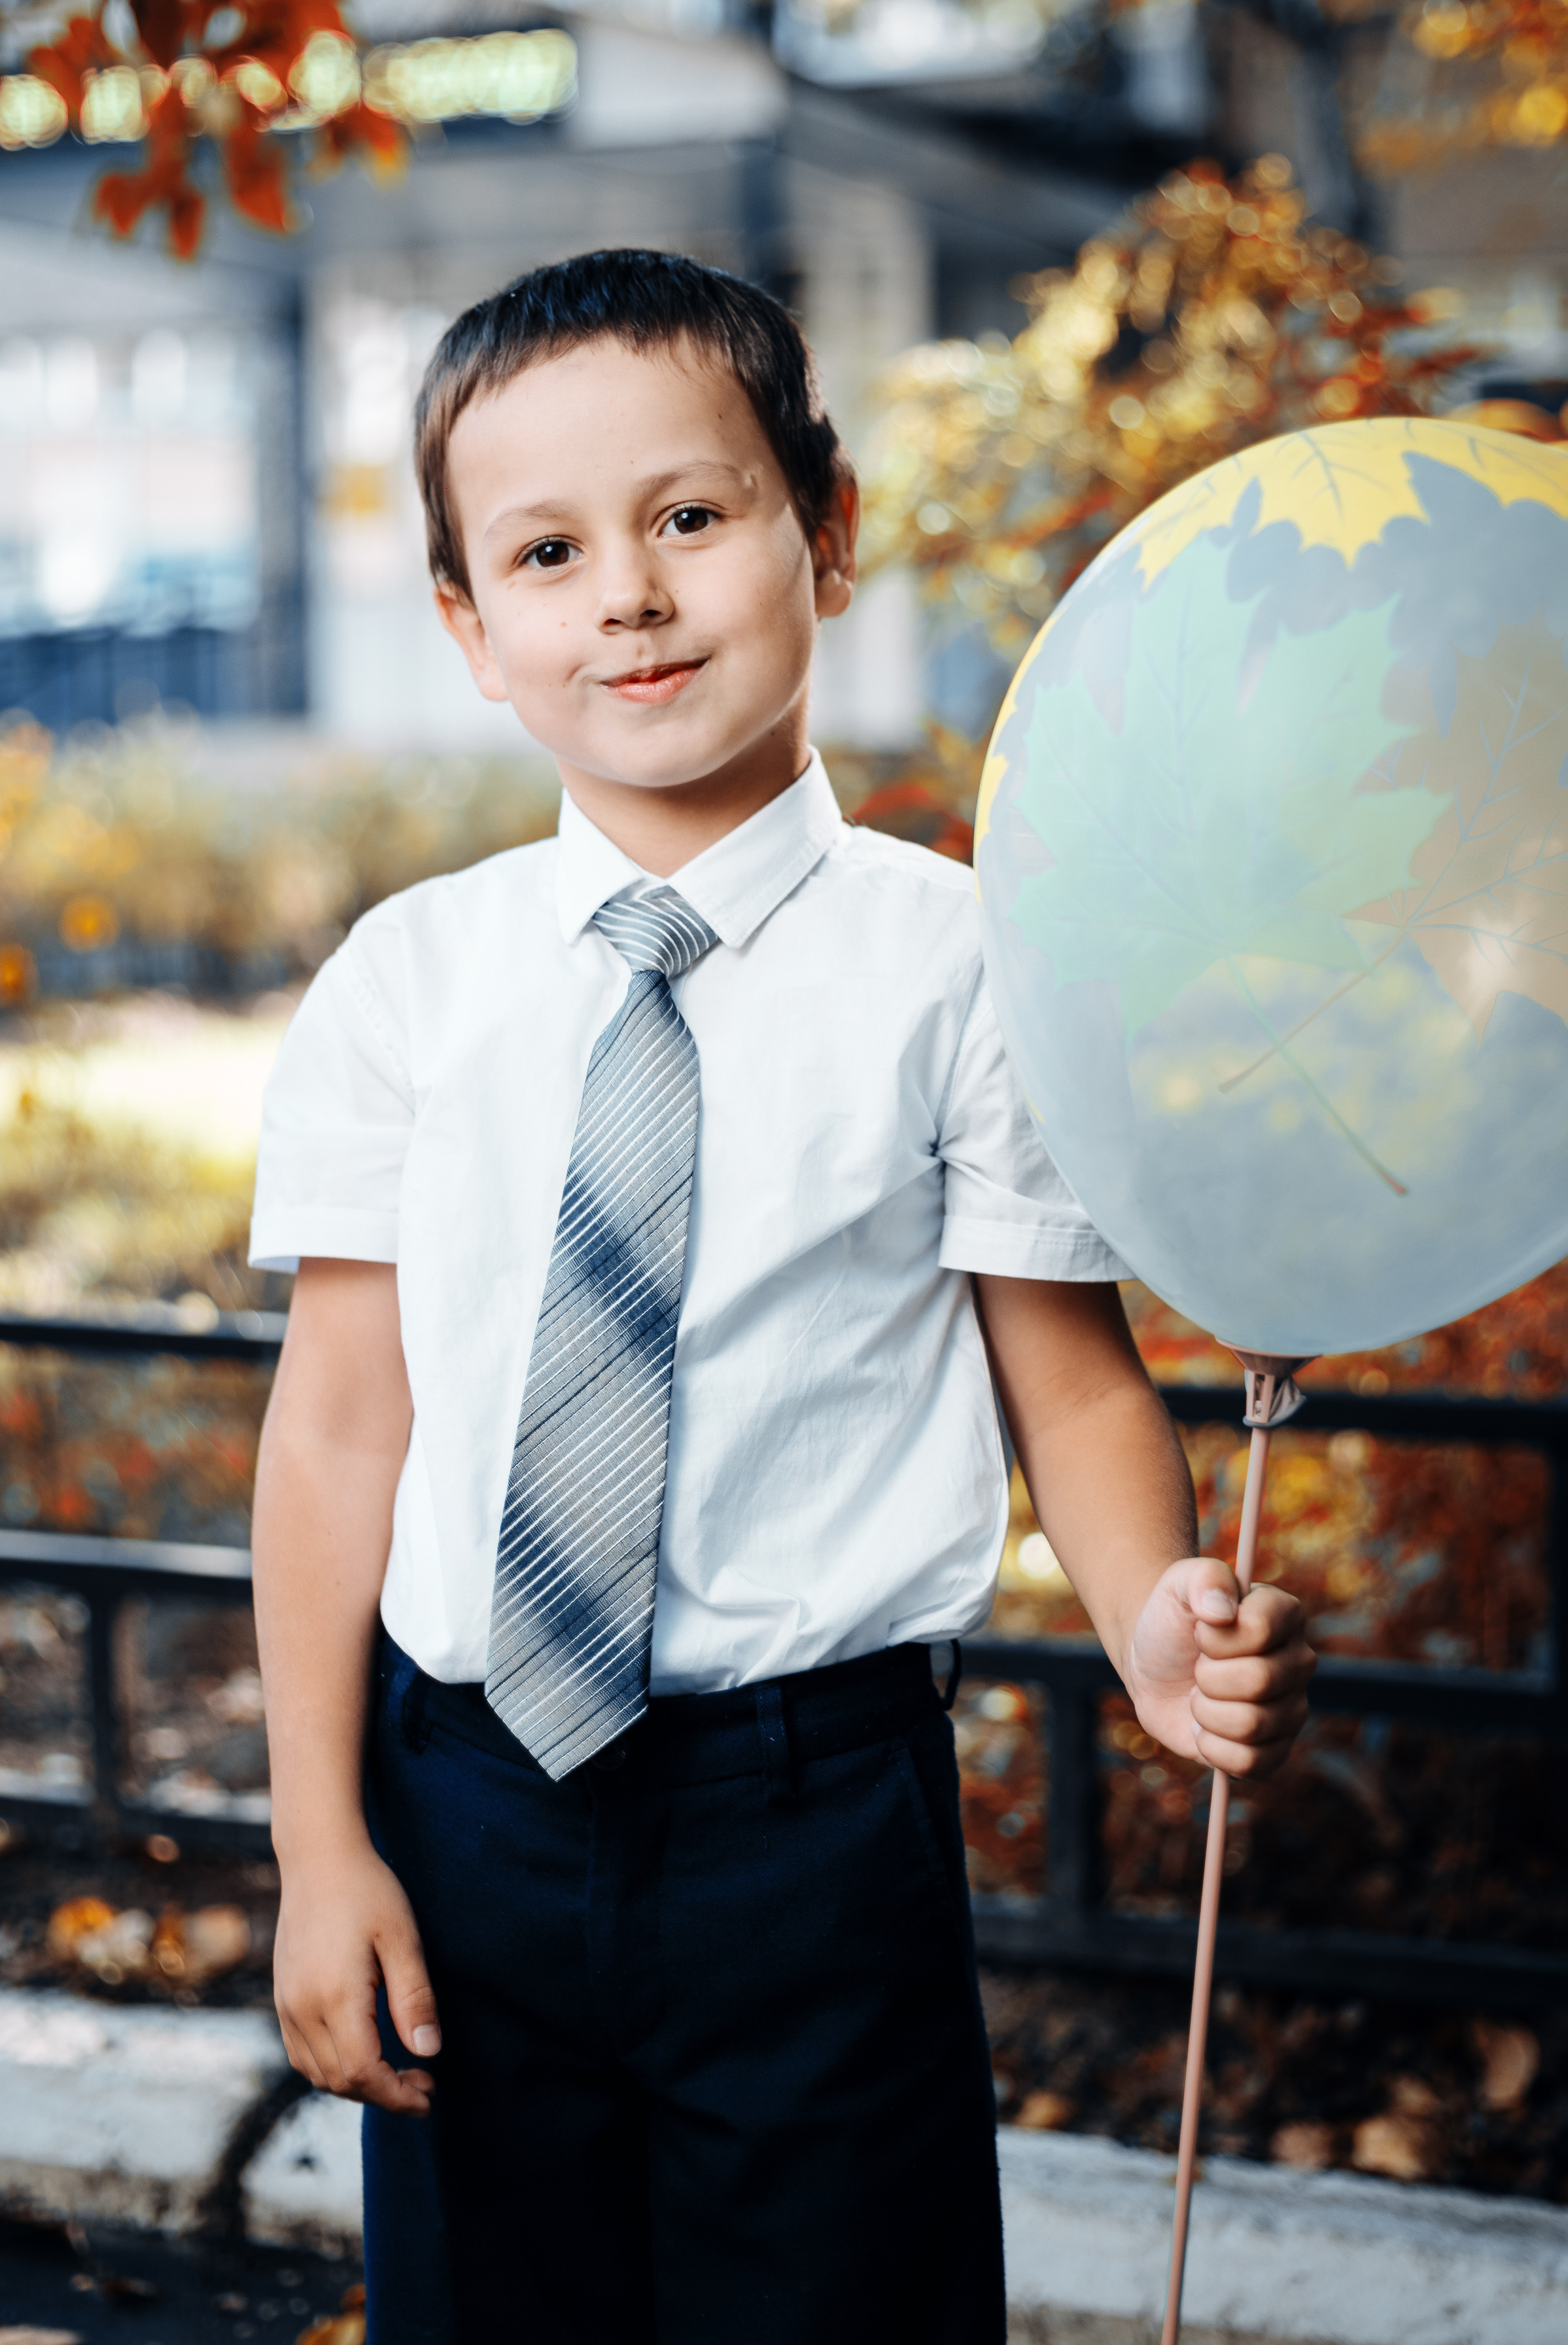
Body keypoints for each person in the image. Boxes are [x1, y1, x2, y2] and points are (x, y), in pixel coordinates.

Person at [248, 249, 1315, 2345]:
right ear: (469, 627)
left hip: (813, 1835)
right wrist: (317, 1839)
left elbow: (1068, 1382)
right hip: (461, 1806)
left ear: (824, 535)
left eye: (690, 517)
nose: (627, 596)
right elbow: (337, 1425)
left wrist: (1151, 1616)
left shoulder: (968, 964)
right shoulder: (407, 984)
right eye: (545, 552)